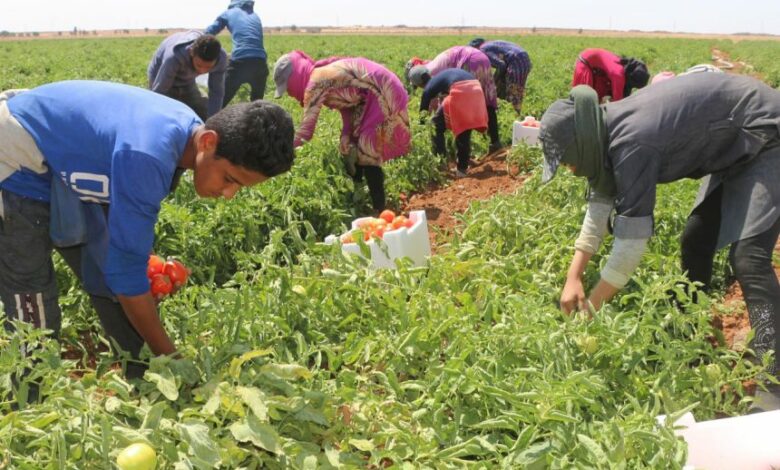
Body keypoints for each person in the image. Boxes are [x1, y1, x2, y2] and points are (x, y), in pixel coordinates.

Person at [0, 80, 295, 402]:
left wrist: (143, 264)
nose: (228, 194)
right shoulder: (147, 153)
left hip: (65, 154)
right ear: (209, 142)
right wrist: (172, 357)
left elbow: (127, 248)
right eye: (229, 179)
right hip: (16, 151)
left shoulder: (186, 136)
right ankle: (29, 399)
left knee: (107, 268)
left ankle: (141, 374)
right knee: (32, 292)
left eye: (239, 187)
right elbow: (126, 277)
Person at [539, 74, 780, 411]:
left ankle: (773, 373)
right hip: (731, 144)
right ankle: (692, 327)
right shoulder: (603, 132)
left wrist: (590, 309)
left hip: (765, 133)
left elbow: (630, 247)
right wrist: (573, 276)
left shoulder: (632, 143)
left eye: (567, 161)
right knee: (695, 239)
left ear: (581, 143)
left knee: (748, 258)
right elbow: (599, 208)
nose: (570, 169)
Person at [273, 51, 410, 212]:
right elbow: (347, 105)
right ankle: (359, 200)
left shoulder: (315, 82)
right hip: (370, 94)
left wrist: (280, 154)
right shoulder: (320, 75)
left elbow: (306, 132)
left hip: (382, 90)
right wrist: (346, 133)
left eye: (287, 88)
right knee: (352, 144)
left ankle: (379, 210)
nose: (289, 93)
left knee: (367, 150)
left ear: (293, 77)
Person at [405, 46, 501, 153]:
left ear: (420, 83)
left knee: (451, 120)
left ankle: (445, 156)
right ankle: (495, 142)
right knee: (480, 107)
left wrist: (422, 126)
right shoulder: (434, 72)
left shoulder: (431, 78)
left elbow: (425, 109)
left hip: (468, 66)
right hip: (479, 68)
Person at [416, 68, 488, 177]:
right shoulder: (440, 77)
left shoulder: (429, 86)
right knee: (465, 127)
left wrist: (421, 129)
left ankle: (442, 163)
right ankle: (462, 167)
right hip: (476, 88)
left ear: (420, 83)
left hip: (462, 90)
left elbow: (423, 113)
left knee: (436, 125)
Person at [147, 31, 228, 120]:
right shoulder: (174, 56)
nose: (202, 71)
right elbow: (159, 92)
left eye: (208, 67)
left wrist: (212, 121)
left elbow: (216, 92)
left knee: (203, 111)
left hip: (187, 80)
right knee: (166, 113)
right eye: (199, 65)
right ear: (191, 53)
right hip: (160, 77)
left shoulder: (221, 59)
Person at [205, 0, 268, 105]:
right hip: (260, 63)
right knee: (257, 106)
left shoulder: (229, 13)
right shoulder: (254, 15)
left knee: (219, 102)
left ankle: (210, 115)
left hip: (240, 63)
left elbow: (209, 33)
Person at [468, 38, 532, 114]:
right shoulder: (490, 44)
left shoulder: (483, 50)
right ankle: (512, 112)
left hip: (516, 61)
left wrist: (494, 80)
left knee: (514, 91)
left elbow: (501, 65)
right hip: (523, 59)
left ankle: (512, 115)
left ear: (476, 48)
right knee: (514, 90)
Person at [572, 48, 649, 103]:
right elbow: (618, 102)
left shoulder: (622, 67)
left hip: (595, 69)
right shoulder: (618, 75)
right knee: (585, 100)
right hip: (585, 65)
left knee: (596, 99)